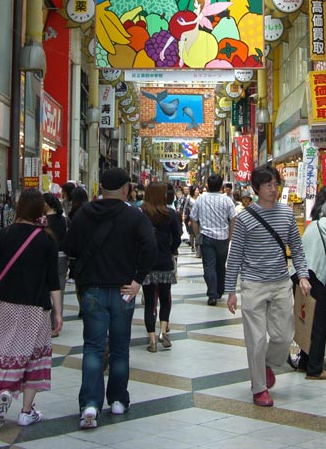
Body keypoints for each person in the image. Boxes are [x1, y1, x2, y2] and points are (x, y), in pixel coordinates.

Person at [61, 167, 156, 430]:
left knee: (92, 347)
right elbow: (151, 247)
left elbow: (68, 247)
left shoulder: (84, 214)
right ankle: (117, 400)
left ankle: (90, 404)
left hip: (92, 289)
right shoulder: (134, 216)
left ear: (100, 188)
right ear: (126, 189)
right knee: (119, 347)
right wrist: (138, 280)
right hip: (124, 291)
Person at [226, 165, 311, 407]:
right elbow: (235, 256)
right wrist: (231, 290)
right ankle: (259, 388)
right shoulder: (243, 218)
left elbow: (297, 247)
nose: (274, 189)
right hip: (253, 284)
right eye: (268, 185)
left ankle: (266, 365)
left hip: (281, 282)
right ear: (256, 188)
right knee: (255, 339)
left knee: (284, 336)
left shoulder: (286, 215)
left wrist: (302, 275)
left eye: (276, 184)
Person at [0, 189, 62, 427]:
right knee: (34, 355)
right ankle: (26, 411)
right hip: (35, 308)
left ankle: (4, 391)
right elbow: (53, 281)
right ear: (41, 209)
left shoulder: (4, 234)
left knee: (6, 349)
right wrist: (58, 312)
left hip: (4, 303)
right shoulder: (46, 239)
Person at [294, 196, 326, 379]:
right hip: (314, 275)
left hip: (298, 274)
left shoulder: (313, 224)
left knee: (306, 320)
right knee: (319, 324)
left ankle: (304, 361)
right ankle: (315, 369)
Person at [140, 182, 182, 352]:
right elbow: (178, 237)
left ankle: (151, 341)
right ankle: (163, 331)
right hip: (164, 261)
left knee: (150, 302)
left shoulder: (141, 213)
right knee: (165, 299)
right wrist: (171, 250)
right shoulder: (170, 213)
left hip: (146, 263)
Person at [191, 174, 236, 305]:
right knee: (221, 265)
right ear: (221, 186)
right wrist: (230, 236)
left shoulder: (200, 199)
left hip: (206, 237)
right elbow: (233, 218)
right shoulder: (227, 200)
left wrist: (198, 234)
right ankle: (220, 290)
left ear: (208, 186)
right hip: (223, 237)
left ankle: (212, 294)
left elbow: (193, 218)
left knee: (209, 266)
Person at [43, 192, 69, 337]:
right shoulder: (64, 219)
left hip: (48, 257)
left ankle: (46, 323)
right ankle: (56, 323)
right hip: (63, 257)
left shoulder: (44, 220)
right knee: (60, 290)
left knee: (47, 289)